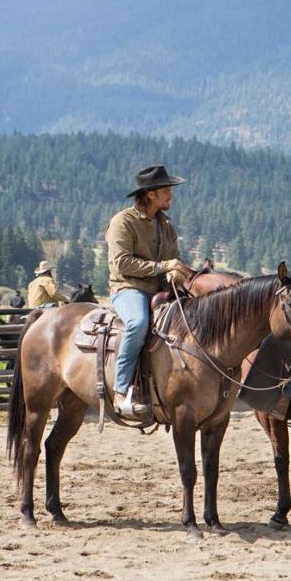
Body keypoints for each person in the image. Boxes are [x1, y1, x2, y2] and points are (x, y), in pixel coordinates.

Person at [105, 164, 193, 418]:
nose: (171, 195)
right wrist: (163, 266)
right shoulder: (123, 222)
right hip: (128, 288)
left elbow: (173, 259)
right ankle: (121, 389)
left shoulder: (166, 225)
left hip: (159, 290)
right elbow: (121, 263)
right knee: (138, 322)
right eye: (166, 190)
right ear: (151, 193)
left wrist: (176, 271)